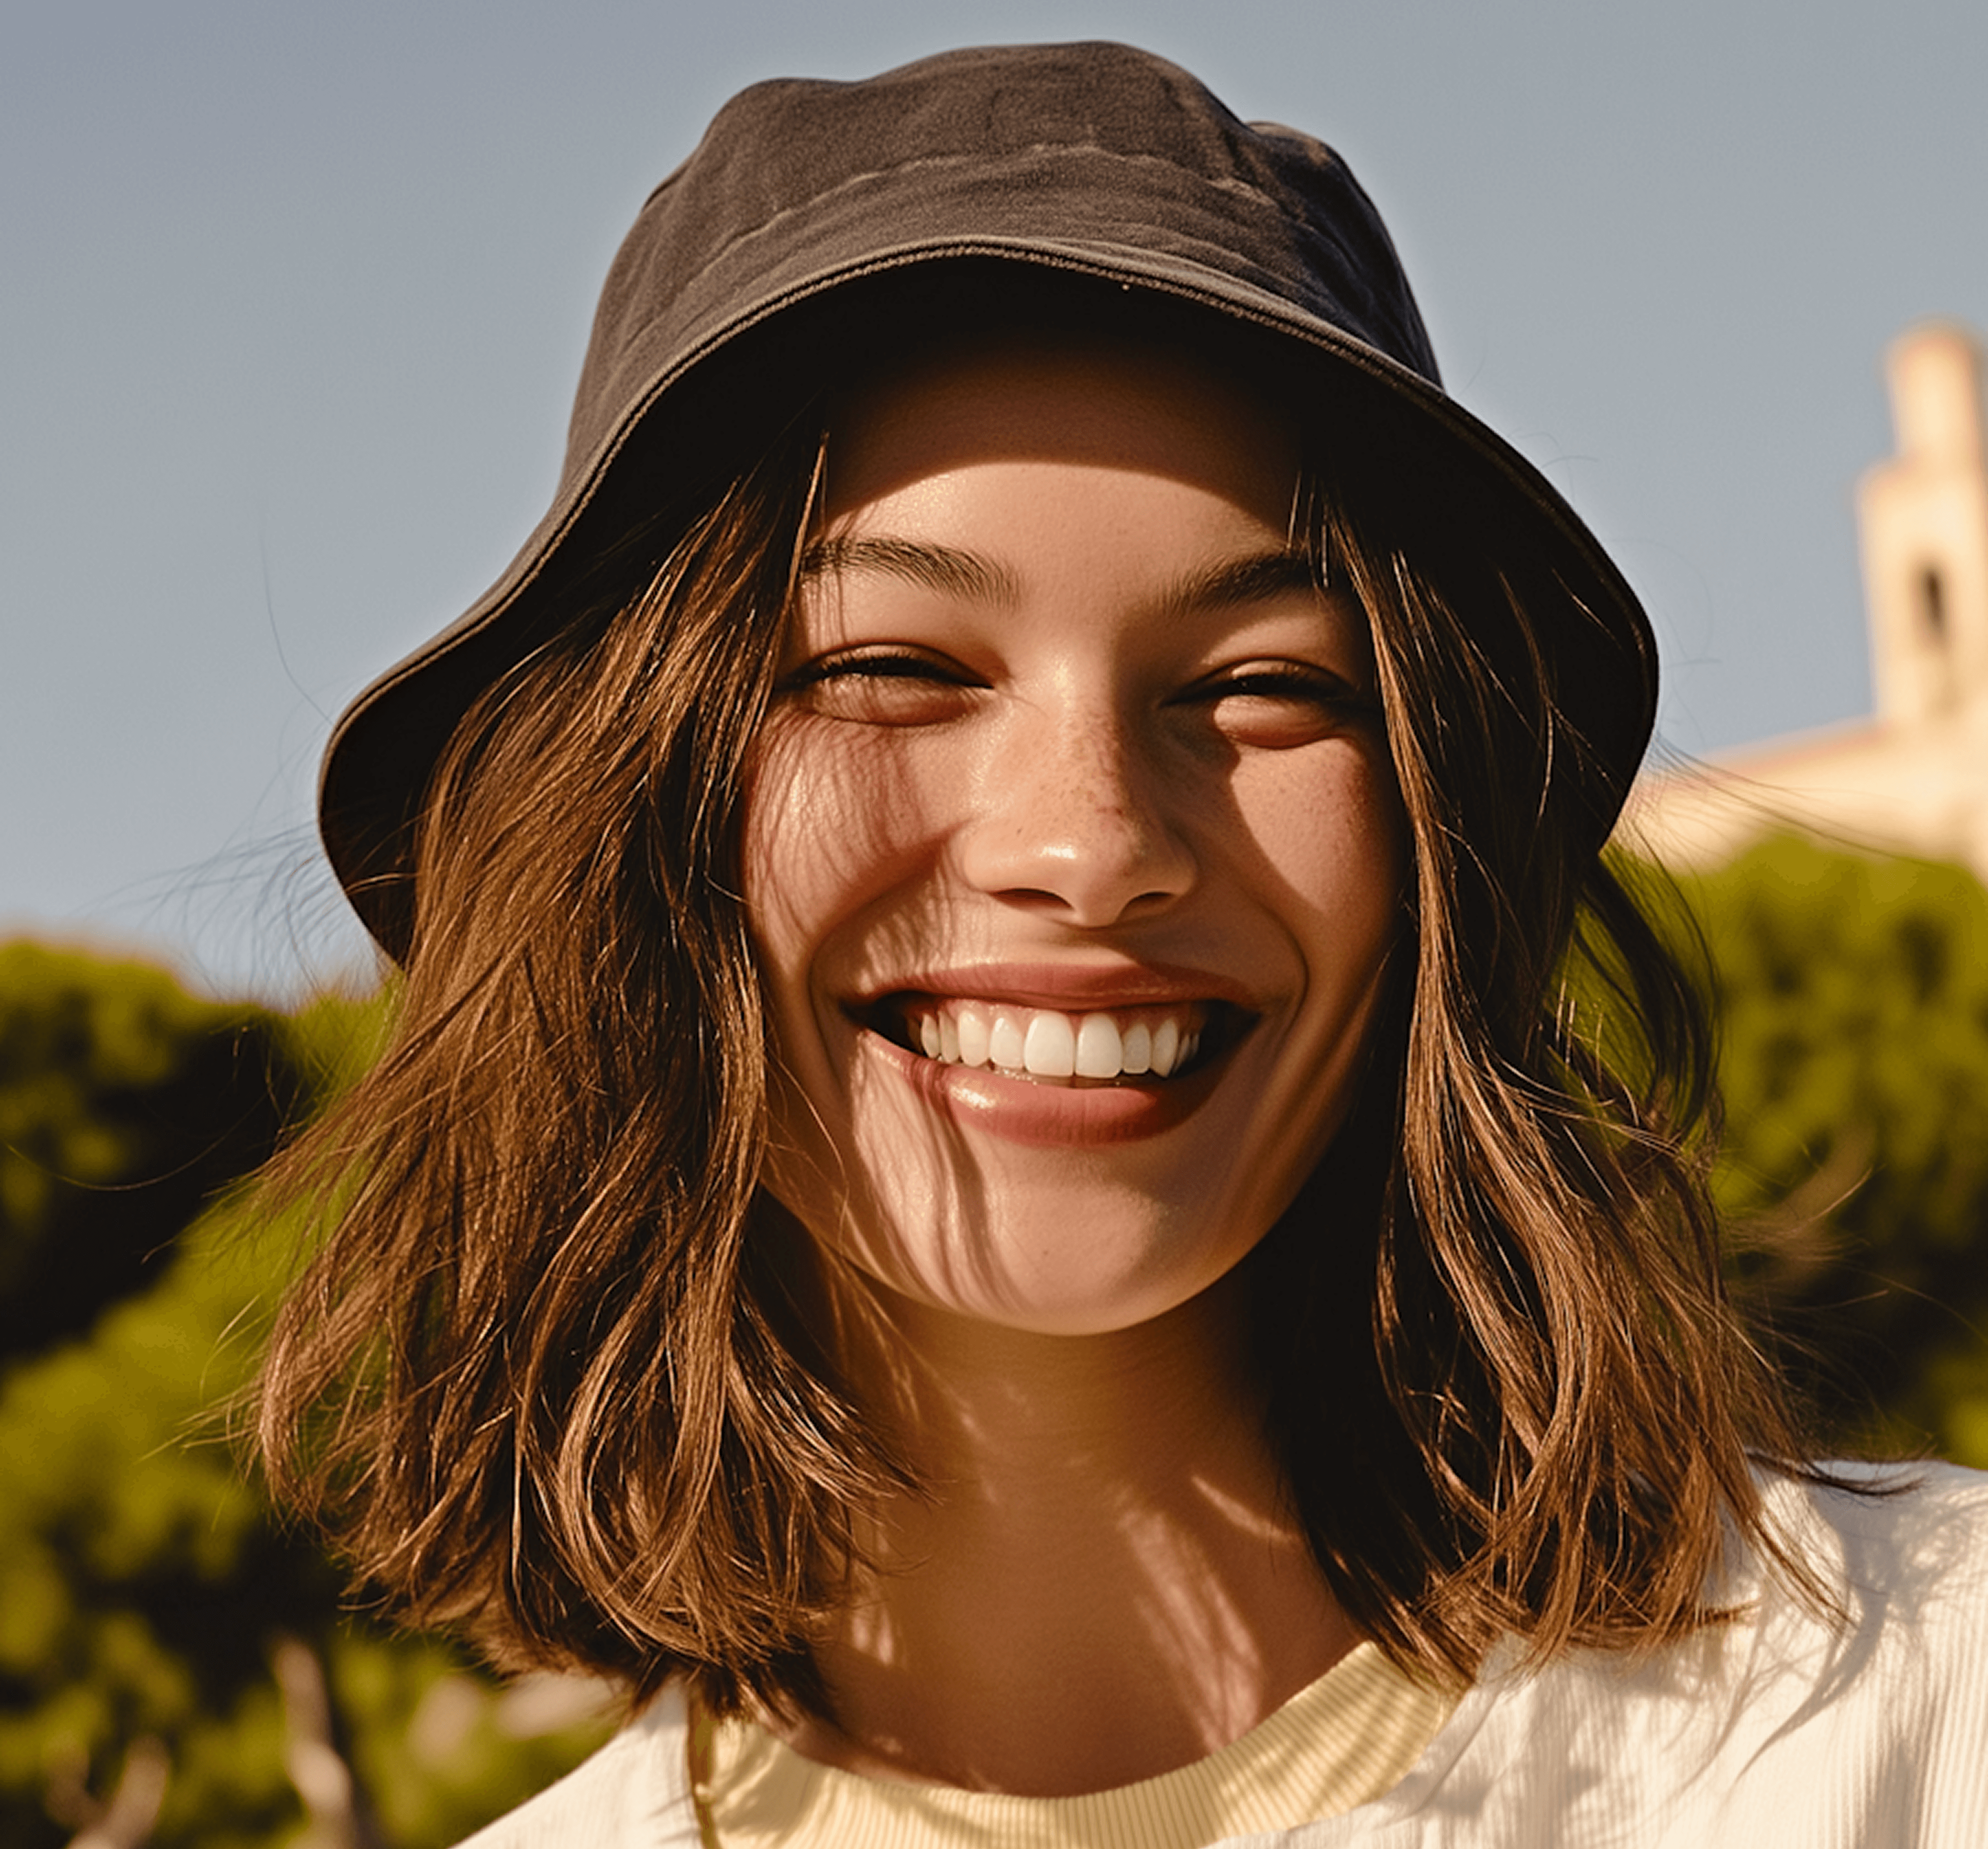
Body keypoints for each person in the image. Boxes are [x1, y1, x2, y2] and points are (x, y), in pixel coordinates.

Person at [258, 41, 1988, 1848]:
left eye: (1265, 687)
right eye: (890, 671)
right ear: (621, 822)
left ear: (1434, 841)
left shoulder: (1926, 1715)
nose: (1093, 845)